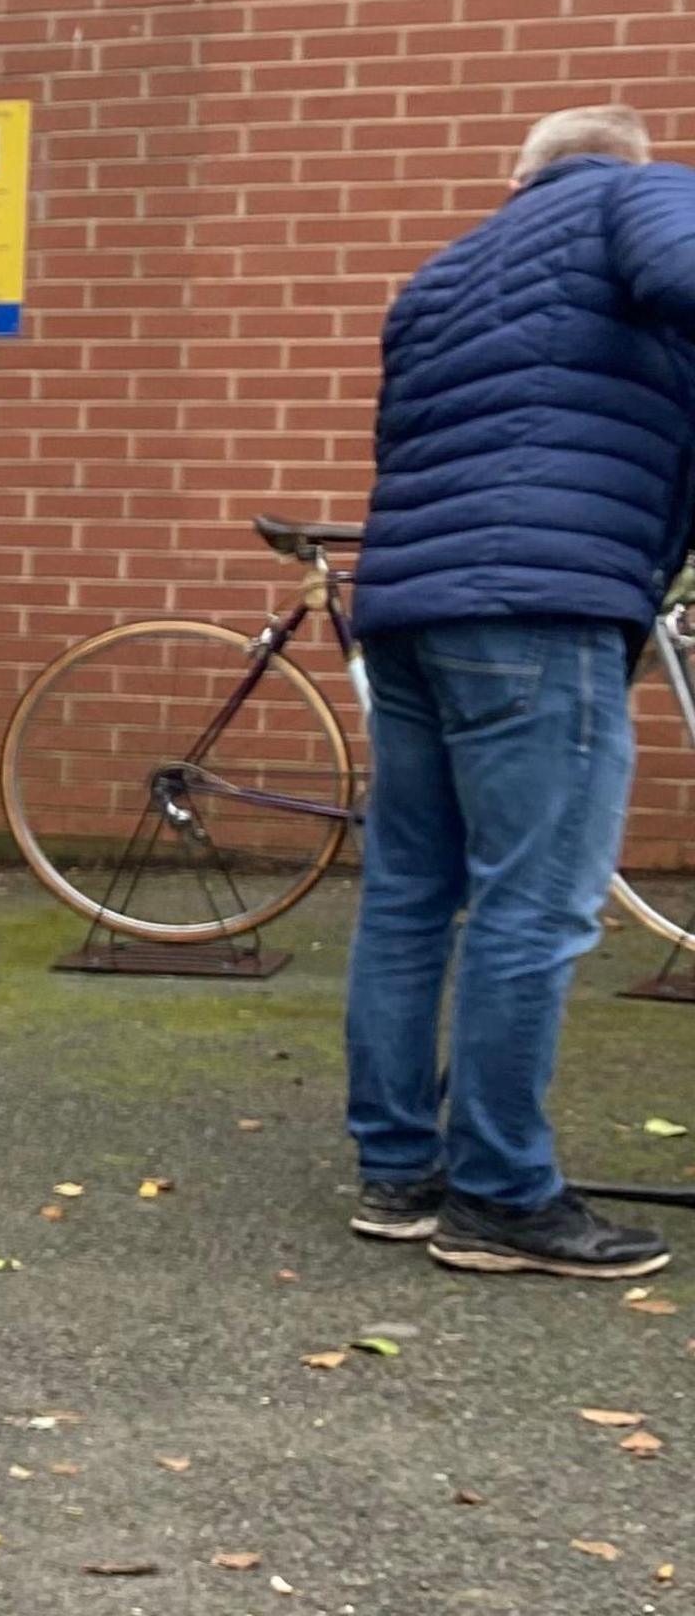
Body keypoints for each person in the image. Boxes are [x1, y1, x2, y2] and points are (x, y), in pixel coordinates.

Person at [343, 102, 695, 1281]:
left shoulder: (443, 271)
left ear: (520, 174)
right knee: (533, 909)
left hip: (406, 608)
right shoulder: (632, 193)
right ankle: (500, 1195)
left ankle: (398, 1173)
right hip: (540, 608)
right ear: (611, 164)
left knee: (408, 895)